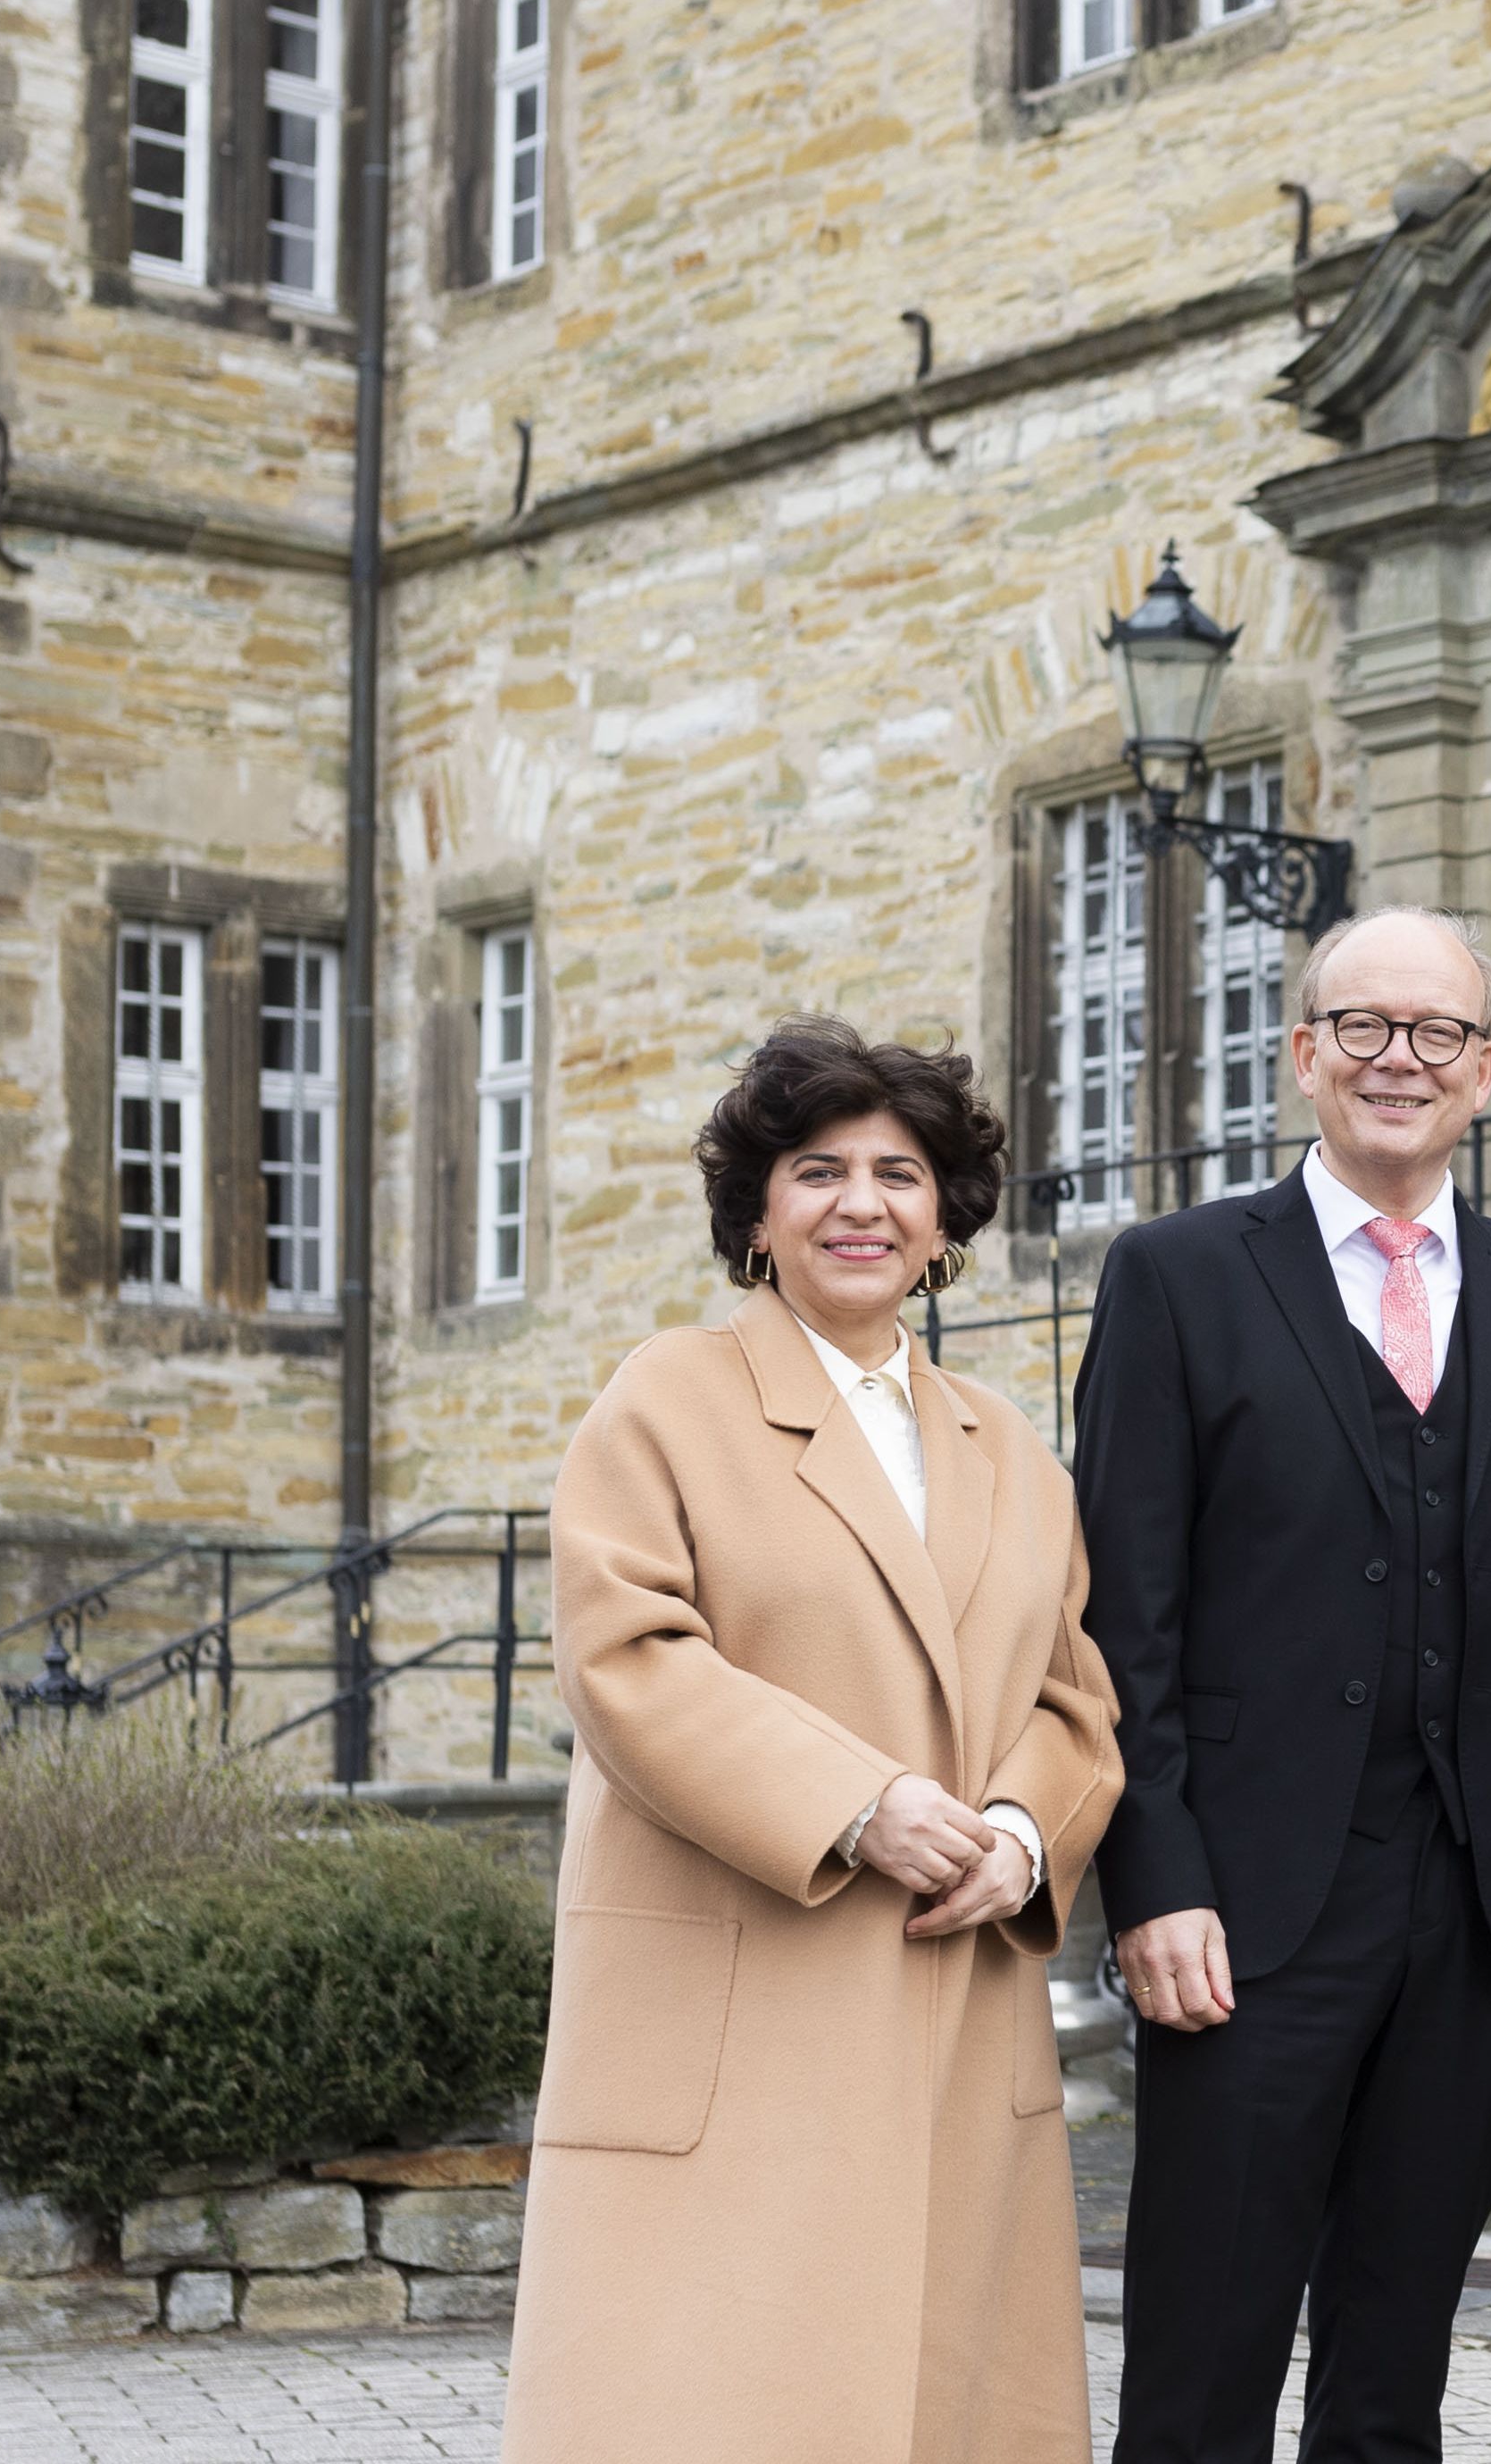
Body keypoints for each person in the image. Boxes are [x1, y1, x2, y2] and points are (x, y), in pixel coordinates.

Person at [1074, 906, 1491, 2464]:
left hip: (1473, 1904)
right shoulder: (1177, 1276)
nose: (1405, 1060)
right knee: (1205, 2355)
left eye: (1440, 1034)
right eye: (1369, 1029)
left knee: (1397, 2357)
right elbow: (1120, 1621)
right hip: (1247, 1904)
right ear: (1305, 1054)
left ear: (1487, 1069)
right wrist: (1152, 1880)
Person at [505, 1021, 1123, 2464]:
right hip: (739, 2014)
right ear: (757, 1213)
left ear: (944, 1215)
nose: (862, 1204)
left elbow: (1075, 1697)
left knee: (946, 2406)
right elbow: (627, 1657)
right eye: (817, 1170)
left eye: (900, 1174)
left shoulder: (1009, 1448)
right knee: (722, 2407)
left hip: (952, 2011)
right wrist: (859, 1804)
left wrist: (1025, 1839)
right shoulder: (665, 1400)